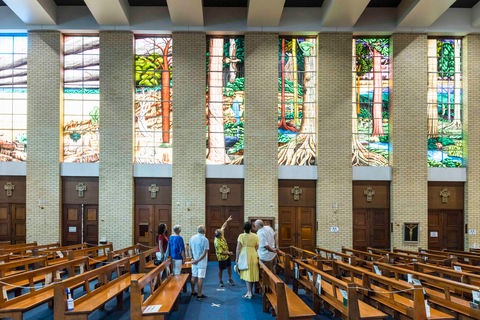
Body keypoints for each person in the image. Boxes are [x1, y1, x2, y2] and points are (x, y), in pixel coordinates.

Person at [236, 221, 259, 299]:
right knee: (251, 273)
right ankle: (250, 291)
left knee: (247, 274)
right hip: (253, 254)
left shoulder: (241, 236)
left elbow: (238, 248)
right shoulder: (255, 236)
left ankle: (249, 292)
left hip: (245, 255)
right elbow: (257, 246)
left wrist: (237, 258)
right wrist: (253, 251)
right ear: (251, 228)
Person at [189, 225, 209, 300]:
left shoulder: (192, 237)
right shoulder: (205, 240)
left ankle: (193, 292)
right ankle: (199, 294)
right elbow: (204, 253)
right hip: (201, 262)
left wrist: (192, 258)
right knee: (200, 277)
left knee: (193, 276)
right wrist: (197, 260)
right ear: (203, 231)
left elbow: (190, 249)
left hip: (194, 261)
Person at [214, 215, 234, 287]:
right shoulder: (217, 242)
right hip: (222, 257)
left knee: (229, 266)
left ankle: (230, 279)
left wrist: (227, 220)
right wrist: (229, 253)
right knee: (221, 269)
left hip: (227, 256)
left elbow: (223, 226)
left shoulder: (220, 236)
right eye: (221, 232)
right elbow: (221, 252)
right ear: (219, 235)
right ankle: (220, 281)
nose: (223, 232)